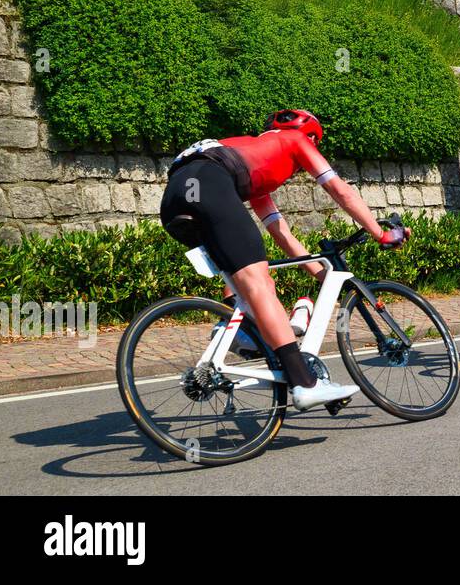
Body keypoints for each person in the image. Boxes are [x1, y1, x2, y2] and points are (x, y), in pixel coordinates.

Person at [161, 110, 407, 412]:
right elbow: (339, 190)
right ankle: (305, 383)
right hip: (210, 181)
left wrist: (324, 275)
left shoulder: (255, 164)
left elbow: (284, 236)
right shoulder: (294, 139)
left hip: (177, 196)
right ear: (311, 137)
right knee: (258, 282)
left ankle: (240, 330)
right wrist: (381, 234)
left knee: (245, 276)